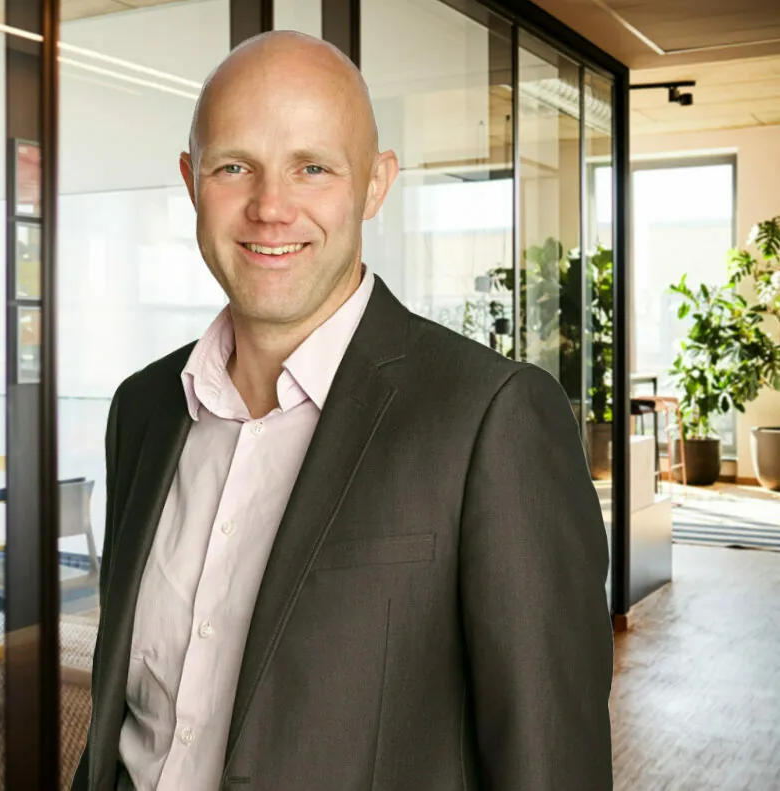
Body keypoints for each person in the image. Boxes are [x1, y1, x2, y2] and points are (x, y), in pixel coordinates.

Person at [70, 30, 613, 791]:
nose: (269, 207)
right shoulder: (144, 409)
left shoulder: (491, 417)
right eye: (235, 167)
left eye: (312, 167)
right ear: (192, 181)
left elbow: (549, 763)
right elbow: (129, 720)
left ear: (374, 185)